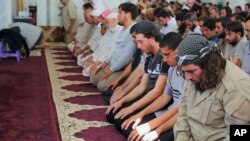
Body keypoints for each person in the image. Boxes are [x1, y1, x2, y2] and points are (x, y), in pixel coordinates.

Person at [174, 34, 250, 141]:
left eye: (191, 71)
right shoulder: (194, 74)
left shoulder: (236, 89)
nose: (187, 77)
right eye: (184, 71)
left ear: (208, 64)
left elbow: (239, 135)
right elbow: (183, 116)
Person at [106, 20, 169, 138]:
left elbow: (158, 92)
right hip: (147, 96)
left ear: (152, 38)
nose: (138, 46)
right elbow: (142, 86)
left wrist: (133, 109)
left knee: (125, 126)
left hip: (157, 102)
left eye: (141, 42)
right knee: (113, 114)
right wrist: (123, 101)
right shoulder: (149, 55)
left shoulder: (165, 56)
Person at [122, 32, 184, 141]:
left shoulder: (189, 73)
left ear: (178, 50)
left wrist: (153, 128)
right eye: (163, 55)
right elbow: (165, 97)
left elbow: (180, 109)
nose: (164, 60)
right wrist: (141, 114)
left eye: (167, 54)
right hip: (169, 113)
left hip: (180, 117)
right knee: (127, 127)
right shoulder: (172, 68)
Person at [90, 2, 138, 92]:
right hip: (113, 64)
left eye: (120, 12)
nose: (117, 15)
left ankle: (123, 81)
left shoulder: (134, 30)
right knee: (94, 79)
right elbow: (114, 49)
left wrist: (111, 70)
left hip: (122, 68)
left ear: (128, 15)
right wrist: (105, 63)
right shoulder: (122, 29)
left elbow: (127, 56)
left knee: (101, 86)